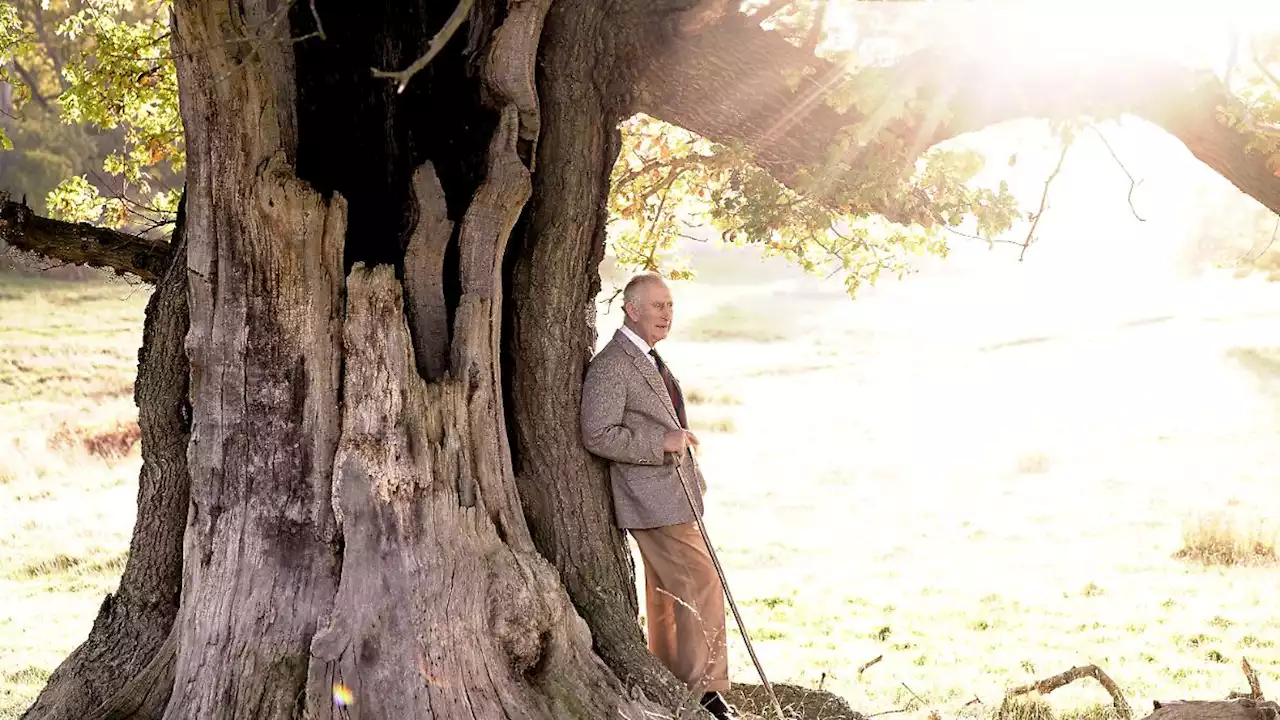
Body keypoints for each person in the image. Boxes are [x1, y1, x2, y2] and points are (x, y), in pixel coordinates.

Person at [580, 272, 737, 720]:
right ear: (631, 308)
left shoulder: (649, 358)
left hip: (674, 494)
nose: (667, 314)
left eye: (670, 306)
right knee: (702, 583)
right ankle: (705, 691)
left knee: (669, 593)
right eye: (657, 306)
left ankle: (674, 677)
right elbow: (597, 434)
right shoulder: (612, 365)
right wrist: (661, 443)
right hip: (652, 498)